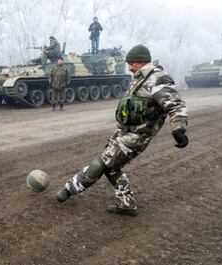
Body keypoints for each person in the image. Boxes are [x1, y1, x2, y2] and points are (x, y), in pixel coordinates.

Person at [56, 44, 189, 216]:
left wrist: (179, 129)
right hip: (125, 132)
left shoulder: (157, 79)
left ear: (139, 62)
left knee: (102, 163)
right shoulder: (140, 78)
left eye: (131, 63)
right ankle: (127, 204)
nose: (129, 67)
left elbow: (176, 105)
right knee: (112, 167)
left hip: (137, 136)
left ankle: (67, 190)